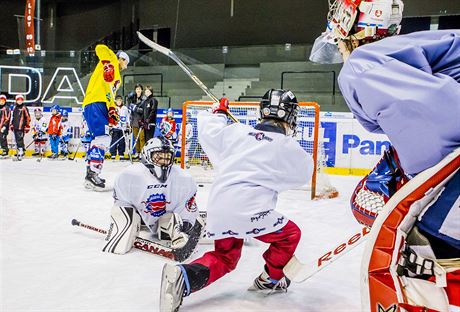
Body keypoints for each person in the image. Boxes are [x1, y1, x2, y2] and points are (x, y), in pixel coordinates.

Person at [310, 1, 460, 310]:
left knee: (418, 257)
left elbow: (443, 125)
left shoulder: (363, 64)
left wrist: (411, 197)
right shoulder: (415, 54)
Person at [159, 91, 314, 312]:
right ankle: (270, 279)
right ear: (290, 116)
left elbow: (208, 130)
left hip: (219, 206)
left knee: (225, 257)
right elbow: (301, 174)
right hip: (251, 210)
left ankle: (183, 277)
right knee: (289, 235)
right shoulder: (286, 146)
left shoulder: (236, 132)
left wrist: (220, 114)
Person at [102, 136, 202, 256]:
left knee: (174, 221)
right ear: (147, 155)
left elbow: (186, 208)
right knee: (125, 222)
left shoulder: (183, 178)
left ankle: (173, 230)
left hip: (168, 219)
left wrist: (185, 229)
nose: (163, 161)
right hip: (141, 219)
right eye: (158, 156)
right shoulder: (129, 176)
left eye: (167, 157)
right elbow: (121, 203)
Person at [82, 45, 129, 189]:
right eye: (126, 62)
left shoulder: (118, 78)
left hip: (102, 104)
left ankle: (91, 173)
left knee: (100, 139)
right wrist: (108, 63)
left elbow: (110, 94)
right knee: (103, 138)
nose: (126, 66)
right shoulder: (112, 59)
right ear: (122, 59)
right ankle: (92, 174)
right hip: (94, 101)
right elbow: (100, 48)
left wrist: (112, 110)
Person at [10, 94, 31, 160]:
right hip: (15, 126)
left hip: (21, 127)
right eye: (18, 100)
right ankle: (21, 150)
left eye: (21, 100)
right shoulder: (15, 107)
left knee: (19, 139)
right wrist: (12, 124)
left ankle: (21, 151)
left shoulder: (24, 107)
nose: (19, 101)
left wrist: (27, 126)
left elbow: (28, 117)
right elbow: (13, 117)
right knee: (17, 139)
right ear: (16, 101)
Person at [109, 95, 130, 160]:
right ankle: (113, 154)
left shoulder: (125, 108)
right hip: (115, 127)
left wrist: (128, 125)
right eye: (117, 100)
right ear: (115, 101)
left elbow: (127, 117)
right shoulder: (114, 108)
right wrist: (110, 125)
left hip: (122, 128)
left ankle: (121, 154)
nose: (119, 101)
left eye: (120, 100)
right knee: (114, 140)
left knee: (122, 141)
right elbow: (111, 117)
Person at [128, 83, 146, 158]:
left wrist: (137, 109)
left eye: (139, 89)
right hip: (134, 120)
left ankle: (143, 152)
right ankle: (137, 152)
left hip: (141, 120)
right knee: (136, 138)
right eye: (137, 89)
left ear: (141, 90)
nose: (138, 90)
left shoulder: (144, 98)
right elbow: (129, 107)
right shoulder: (133, 98)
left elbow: (145, 110)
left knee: (142, 137)